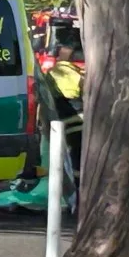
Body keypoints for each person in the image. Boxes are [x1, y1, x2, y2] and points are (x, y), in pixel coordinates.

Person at [46, 46, 84, 207]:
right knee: (79, 157)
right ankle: (81, 191)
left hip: (63, 123)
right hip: (82, 120)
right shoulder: (78, 73)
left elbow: (47, 98)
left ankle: (73, 194)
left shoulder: (52, 74)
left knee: (67, 158)